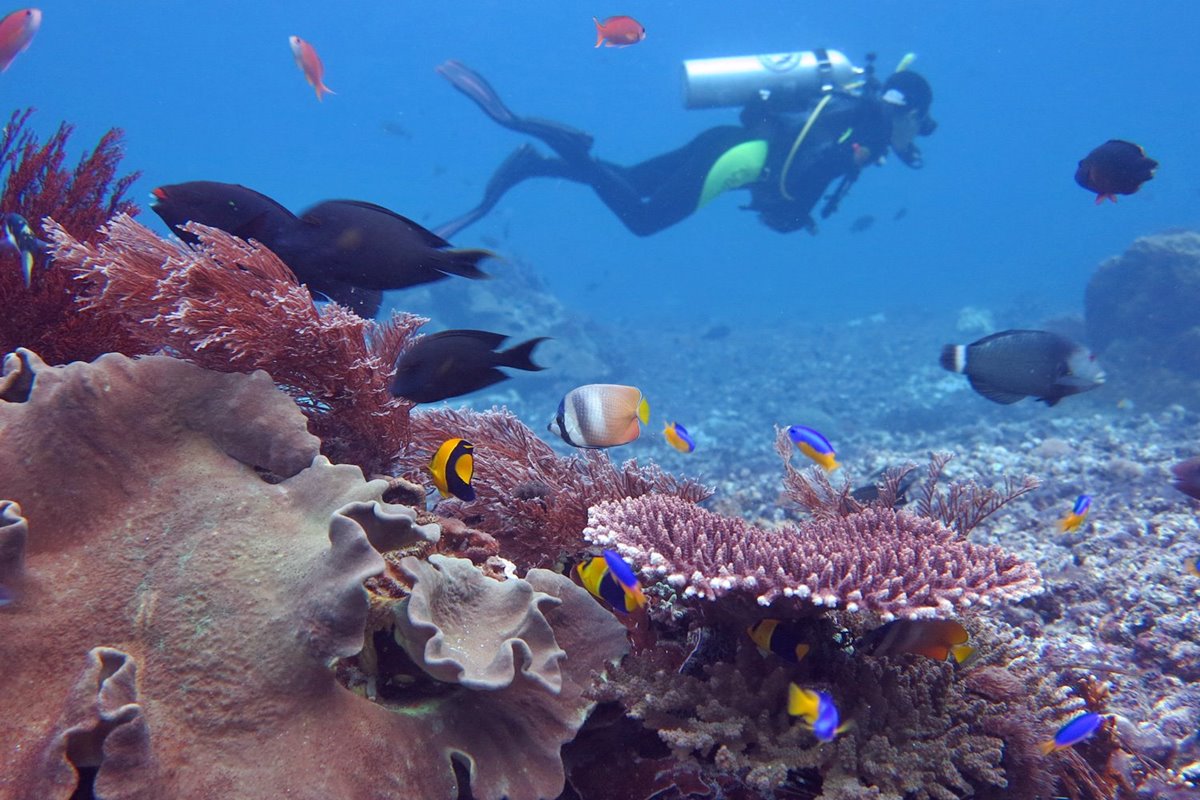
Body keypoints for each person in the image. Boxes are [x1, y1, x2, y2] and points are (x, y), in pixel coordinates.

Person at [433, 54, 936, 239]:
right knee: (644, 220)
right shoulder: (868, 133)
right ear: (910, 113)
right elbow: (811, 176)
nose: (915, 135)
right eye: (920, 123)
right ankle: (566, 143)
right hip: (739, 159)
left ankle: (537, 165)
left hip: (727, 142)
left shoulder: (848, 107)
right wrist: (793, 215)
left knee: (630, 180)